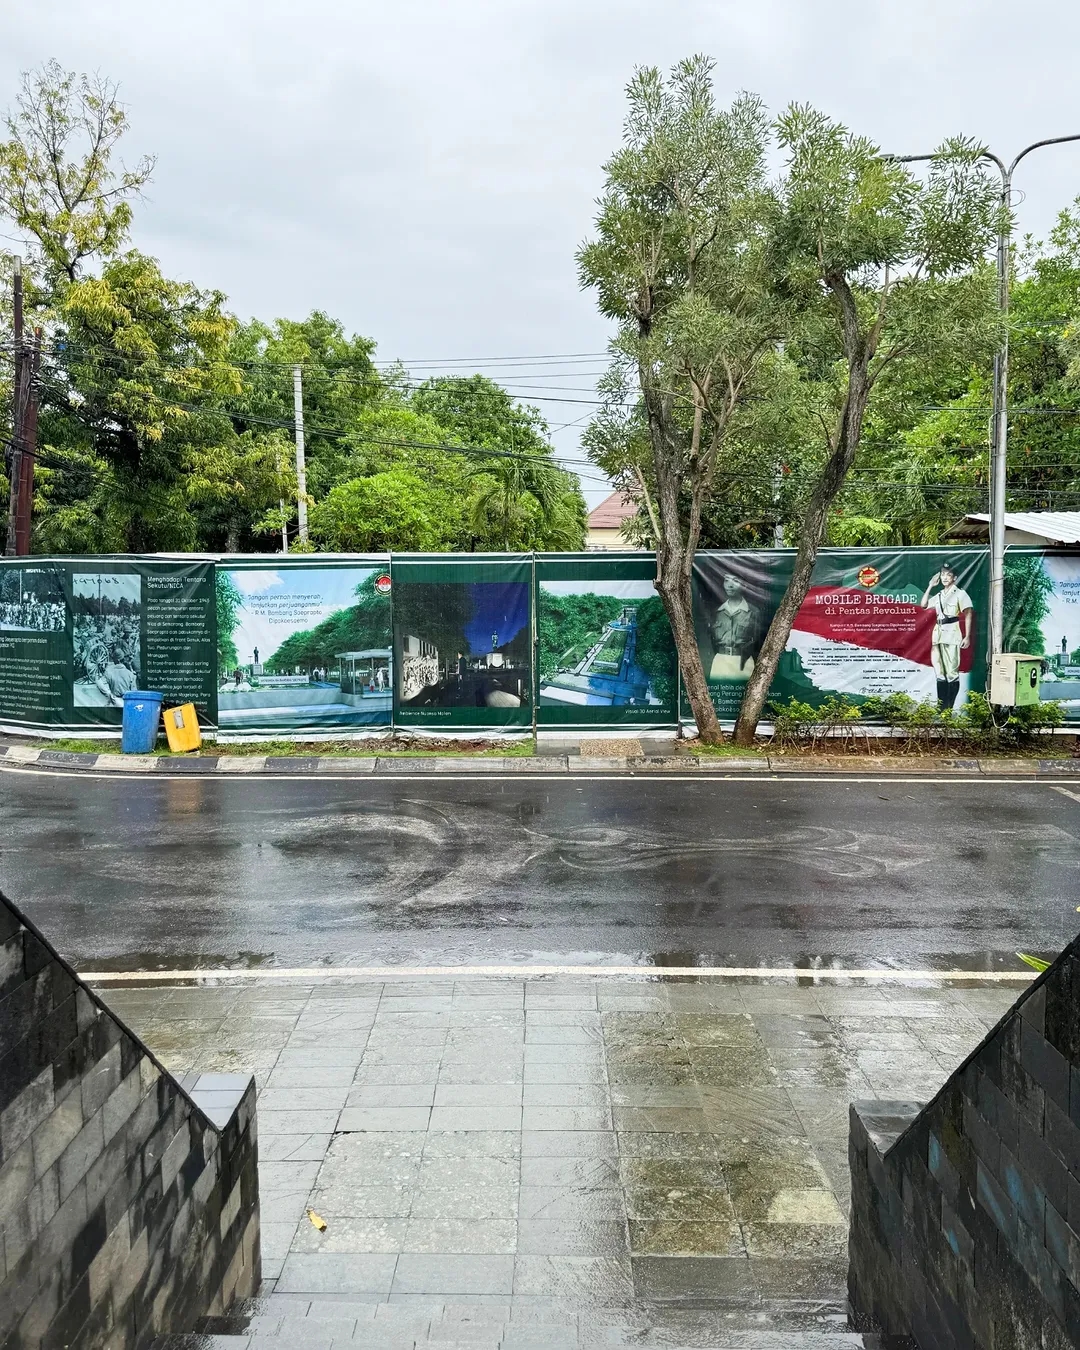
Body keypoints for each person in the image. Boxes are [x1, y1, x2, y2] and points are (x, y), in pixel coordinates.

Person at [920, 563, 974, 710]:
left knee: (952, 673)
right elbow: (923, 604)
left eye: (948, 575)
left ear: (954, 578)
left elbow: (968, 613)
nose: (945, 577)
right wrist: (930, 586)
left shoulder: (960, 594)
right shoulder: (938, 595)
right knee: (939, 672)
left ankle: (948, 709)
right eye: (943, 574)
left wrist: (967, 636)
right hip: (937, 635)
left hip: (952, 634)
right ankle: (941, 709)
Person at [709, 575, 759, 681]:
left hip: (744, 663)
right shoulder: (717, 612)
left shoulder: (753, 612)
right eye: (726, 580)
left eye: (735, 581)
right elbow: (713, 641)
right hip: (720, 662)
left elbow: (757, 642)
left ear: (744, 585)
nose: (730, 585)